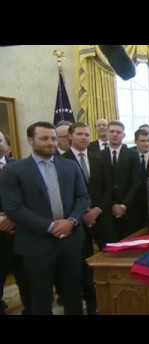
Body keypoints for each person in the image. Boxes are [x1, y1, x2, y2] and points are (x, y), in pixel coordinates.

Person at [0, 122, 89, 315]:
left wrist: (71, 221)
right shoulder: (14, 170)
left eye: (53, 138)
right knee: (40, 298)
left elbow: (83, 198)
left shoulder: (70, 166)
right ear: (31, 140)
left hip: (70, 240)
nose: (50, 142)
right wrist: (50, 226)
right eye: (44, 138)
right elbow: (13, 208)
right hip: (35, 244)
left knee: (73, 294)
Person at [63, 122, 106, 315]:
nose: (84, 138)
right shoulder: (61, 160)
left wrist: (97, 209)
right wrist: (82, 214)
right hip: (76, 223)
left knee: (105, 261)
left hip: (100, 218)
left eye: (87, 135)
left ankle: (99, 304)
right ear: (70, 136)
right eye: (80, 134)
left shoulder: (98, 159)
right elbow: (63, 195)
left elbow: (107, 187)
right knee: (82, 265)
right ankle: (86, 303)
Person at [0, 131, 31, 315]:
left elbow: (30, 197)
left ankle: (30, 308)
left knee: (26, 276)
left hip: (20, 232)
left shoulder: (21, 168)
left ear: (8, 147)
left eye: (0, 140)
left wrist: (13, 218)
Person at [96, 121, 142, 243]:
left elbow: (136, 182)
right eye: (112, 131)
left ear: (123, 135)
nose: (115, 134)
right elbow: (99, 185)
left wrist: (123, 205)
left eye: (118, 132)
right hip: (107, 211)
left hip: (129, 210)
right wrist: (112, 205)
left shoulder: (133, 155)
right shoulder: (98, 156)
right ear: (107, 133)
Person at [131, 128, 149, 232]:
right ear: (136, 142)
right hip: (134, 203)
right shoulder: (129, 154)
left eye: (148, 140)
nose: (146, 144)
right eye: (143, 141)